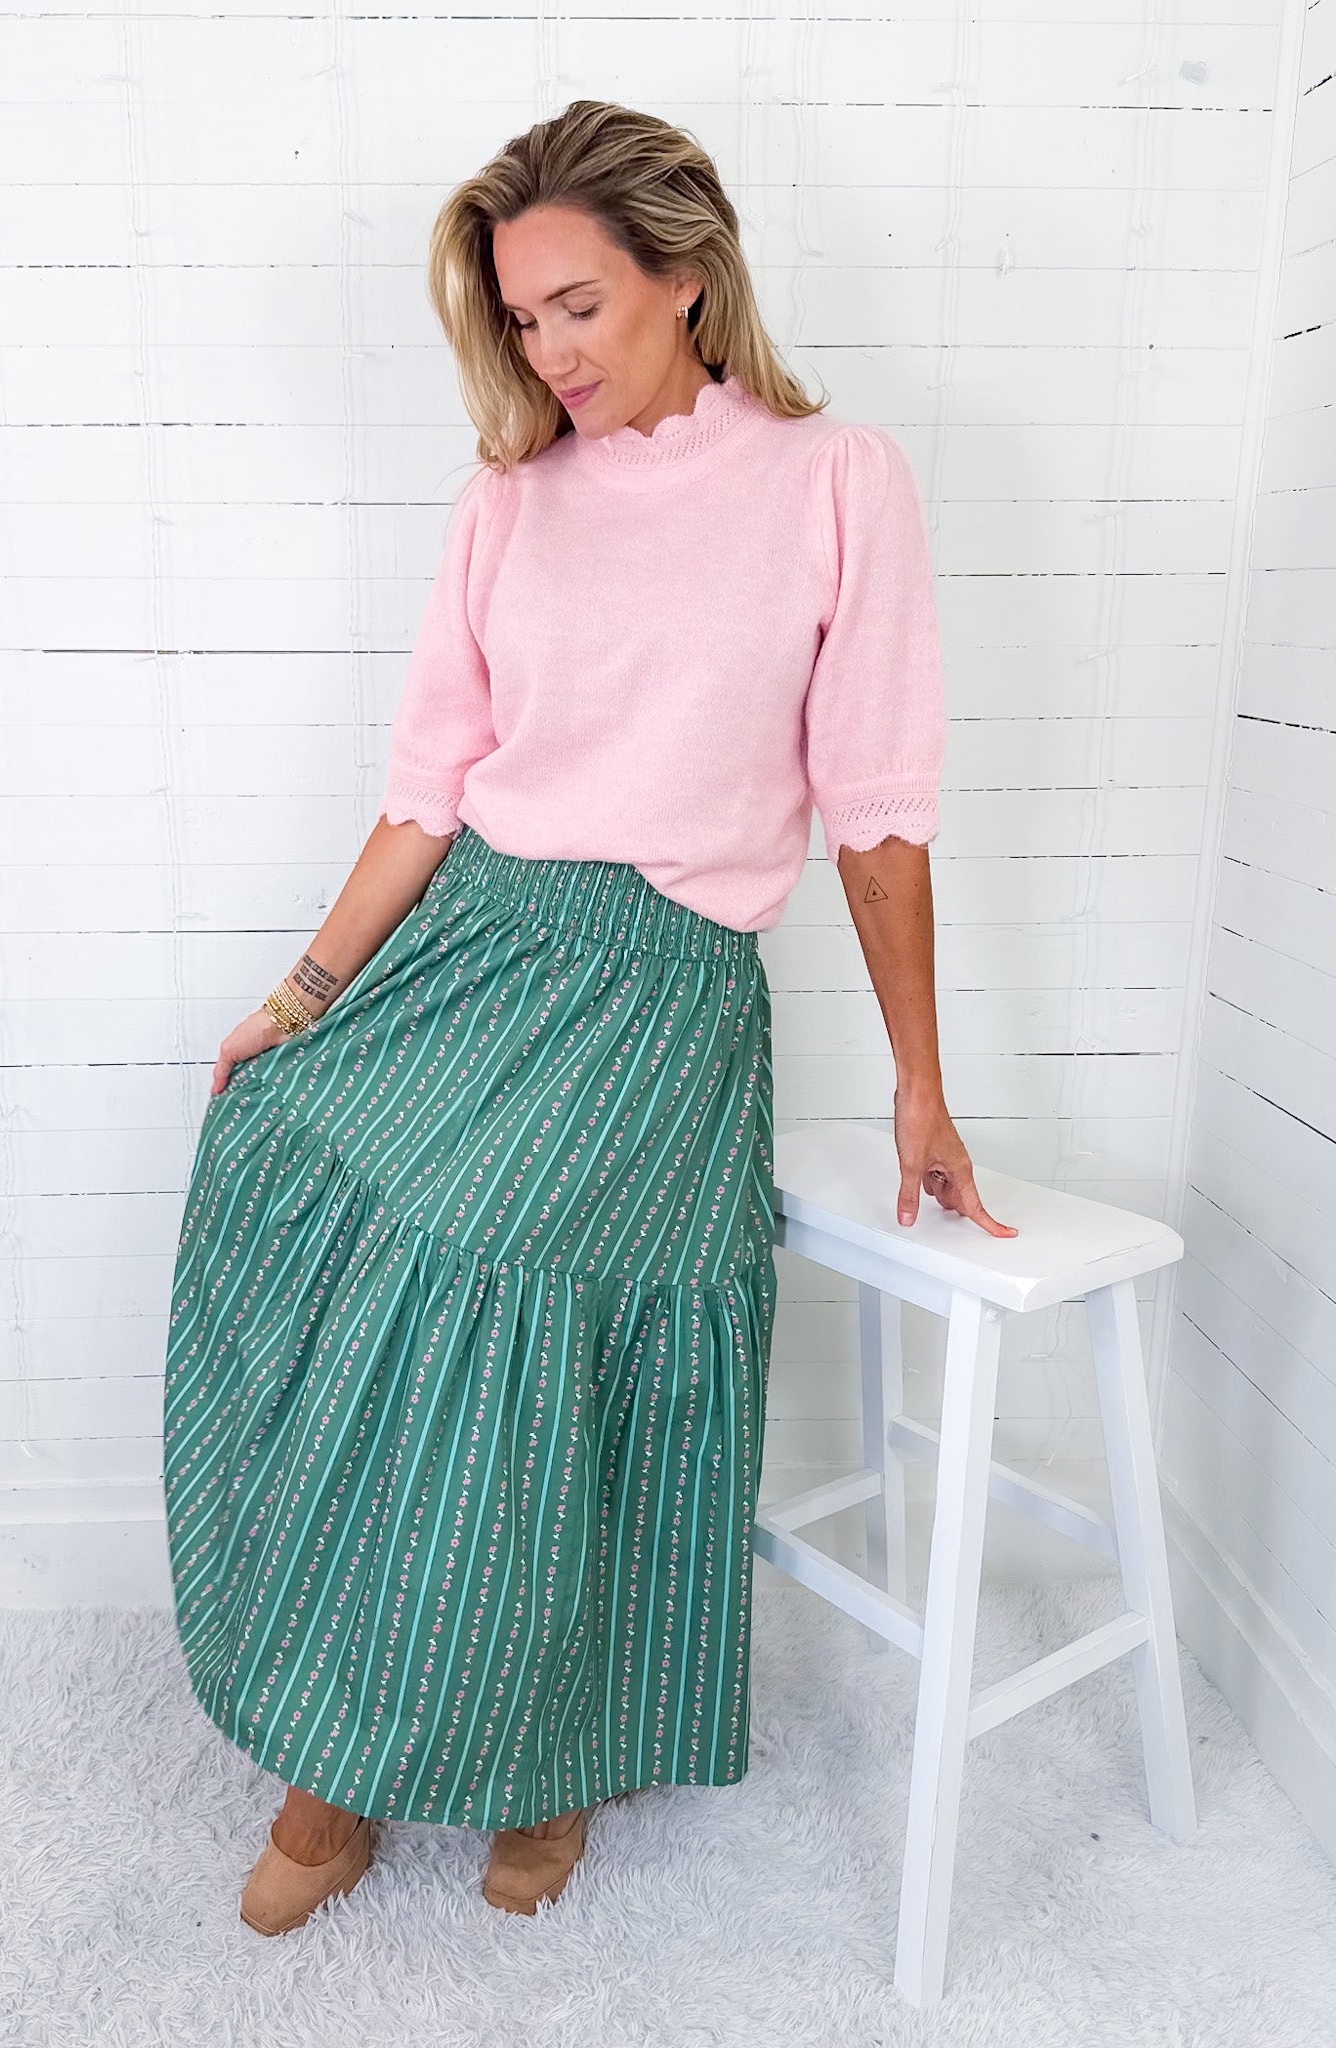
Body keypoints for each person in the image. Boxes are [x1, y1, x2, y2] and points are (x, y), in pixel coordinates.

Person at [162, 97, 1016, 1940]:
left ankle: (538, 1756)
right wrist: (302, 996)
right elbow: (427, 787)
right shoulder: (506, 504)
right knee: (309, 1200)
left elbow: (872, 813)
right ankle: (340, 1748)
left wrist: (920, 1091)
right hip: (471, 951)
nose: (546, 354)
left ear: (684, 280)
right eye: (518, 320)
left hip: (653, 995)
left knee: (512, 1331)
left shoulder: (831, 479)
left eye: (575, 308)